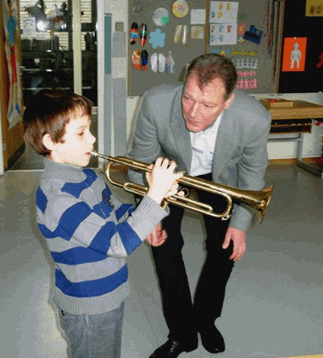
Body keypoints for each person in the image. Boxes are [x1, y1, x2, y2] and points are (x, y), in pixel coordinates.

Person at [127, 53, 272, 358]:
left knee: (225, 248)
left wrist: (239, 225)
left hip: (221, 176)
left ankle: (205, 320)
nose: (193, 113)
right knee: (164, 245)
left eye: (207, 105)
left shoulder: (254, 118)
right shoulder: (156, 102)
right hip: (169, 170)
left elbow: (252, 174)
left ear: (228, 101)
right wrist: (149, 210)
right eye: (188, 98)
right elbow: (139, 163)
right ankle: (181, 332)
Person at [23, 89, 183, 358]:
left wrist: (153, 210)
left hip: (108, 293)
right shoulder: (59, 198)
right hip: (88, 306)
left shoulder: (86, 177)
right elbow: (116, 243)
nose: (93, 138)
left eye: (89, 129)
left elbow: (117, 213)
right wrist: (153, 197)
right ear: (51, 142)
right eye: (81, 132)